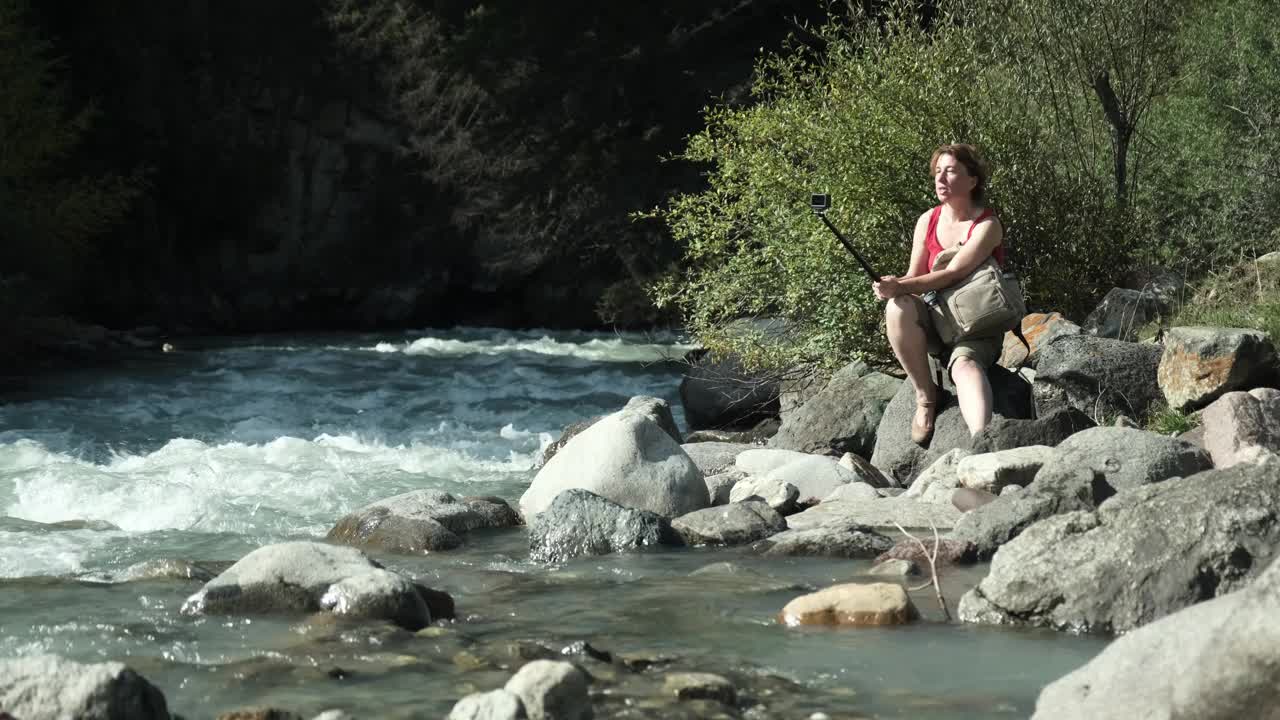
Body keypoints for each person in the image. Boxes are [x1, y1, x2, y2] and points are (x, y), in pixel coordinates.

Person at [872, 144, 1005, 444]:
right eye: (937, 172)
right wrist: (892, 284)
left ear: (972, 181)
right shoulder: (927, 219)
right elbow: (915, 275)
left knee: (965, 366)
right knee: (897, 306)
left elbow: (954, 272)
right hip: (937, 319)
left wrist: (902, 285)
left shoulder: (987, 224)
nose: (940, 178)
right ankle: (926, 397)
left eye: (950, 171)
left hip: (977, 326)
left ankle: (979, 444)